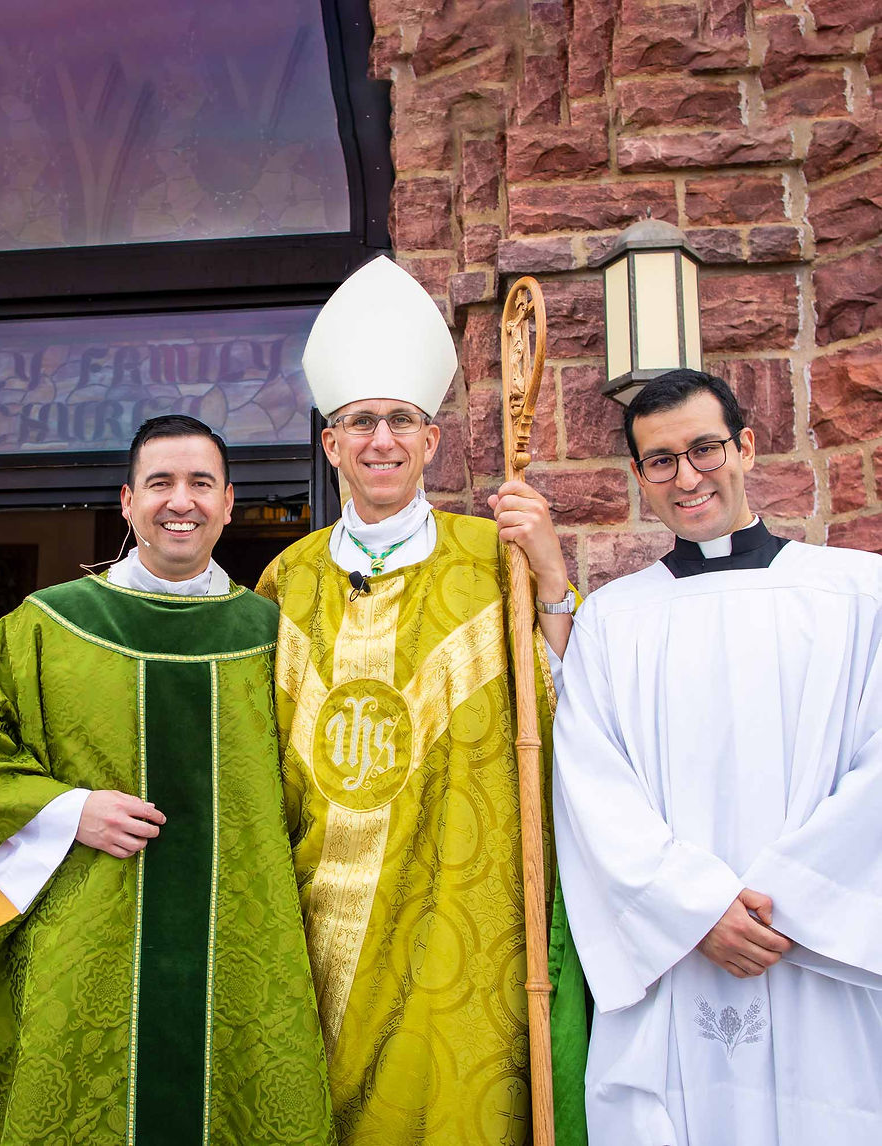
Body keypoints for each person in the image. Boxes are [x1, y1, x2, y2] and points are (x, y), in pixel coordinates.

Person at [0, 415, 335, 1146]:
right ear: (128, 501)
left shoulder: (275, 638)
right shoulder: (47, 625)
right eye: (160, 482)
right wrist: (70, 810)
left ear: (229, 503)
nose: (181, 501)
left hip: (242, 946)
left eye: (201, 483)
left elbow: (320, 787)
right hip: (84, 943)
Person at [255, 255, 588, 1145]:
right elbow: (250, 751)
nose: (381, 441)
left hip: (455, 910)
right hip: (315, 908)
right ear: (331, 443)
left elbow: (573, 708)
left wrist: (551, 572)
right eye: (360, 422)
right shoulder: (286, 577)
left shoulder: (493, 557)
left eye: (401, 421)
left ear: (432, 441)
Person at [551, 368, 882, 1146]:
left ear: (747, 446)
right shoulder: (612, 621)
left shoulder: (859, 593)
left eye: (705, 449)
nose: (687, 477)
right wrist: (697, 912)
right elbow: (593, 791)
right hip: (677, 963)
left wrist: (791, 901)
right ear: (639, 477)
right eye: (660, 461)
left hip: (818, 961)